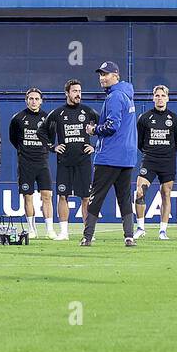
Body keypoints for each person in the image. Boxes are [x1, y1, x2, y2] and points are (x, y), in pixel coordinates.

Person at [80, 62, 139, 247]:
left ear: (116, 75)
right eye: (100, 75)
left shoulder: (114, 96)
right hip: (127, 157)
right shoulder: (127, 95)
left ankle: (87, 237)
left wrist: (93, 129)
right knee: (124, 198)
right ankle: (129, 236)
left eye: (105, 74)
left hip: (109, 156)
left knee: (96, 197)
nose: (102, 78)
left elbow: (112, 126)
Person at [47, 80, 100, 241]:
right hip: (64, 162)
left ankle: (87, 232)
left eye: (79, 91)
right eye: (75, 91)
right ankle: (64, 232)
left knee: (86, 197)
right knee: (63, 196)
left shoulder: (88, 112)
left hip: (83, 162)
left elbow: (105, 129)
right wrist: (52, 147)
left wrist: (96, 147)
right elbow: (43, 131)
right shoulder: (58, 113)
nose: (78, 94)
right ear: (67, 93)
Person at [135, 85, 177, 240]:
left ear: (167, 98)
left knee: (166, 195)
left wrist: (166, 152)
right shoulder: (144, 118)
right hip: (149, 160)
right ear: (153, 97)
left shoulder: (175, 119)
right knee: (140, 192)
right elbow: (139, 142)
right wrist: (151, 152)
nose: (160, 98)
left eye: (163, 95)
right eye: (157, 95)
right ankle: (141, 227)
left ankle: (163, 231)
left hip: (168, 161)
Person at [9, 88, 56, 239]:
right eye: (31, 99)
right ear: (26, 100)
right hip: (25, 163)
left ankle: (49, 229)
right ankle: (32, 229)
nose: (34, 101)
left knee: (47, 195)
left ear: (41, 101)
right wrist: (24, 150)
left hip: (42, 162)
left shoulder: (48, 118)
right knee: (27, 197)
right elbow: (13, 139)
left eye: (36, 99)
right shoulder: (18, 118)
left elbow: (51, 139)